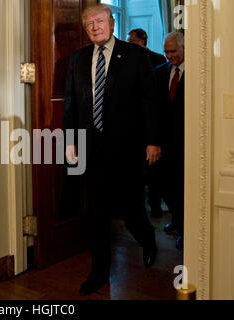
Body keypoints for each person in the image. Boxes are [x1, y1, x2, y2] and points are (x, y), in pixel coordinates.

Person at [63, 4, 161, 296]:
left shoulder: (135, 56)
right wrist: (70, 141)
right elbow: (71, 103)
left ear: (111, 23)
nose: (95, 27)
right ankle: (99, 273)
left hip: (127, 149)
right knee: (96, 213)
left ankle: (148, 240)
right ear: (85, 28)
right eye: (89, 23)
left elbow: (149, 101)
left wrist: (153, 140)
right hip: (91, 150)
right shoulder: (78, 60)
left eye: (100, 21)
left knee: (131, 210)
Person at [127, 28, 167, 218]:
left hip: (151, 121)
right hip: (133, 124)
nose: (129, 42)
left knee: (153, 171)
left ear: (143, 40)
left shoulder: (158, 59)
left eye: (132, 40)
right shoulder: (125, 59)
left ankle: (155, 206)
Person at [153, 32, 185, 251]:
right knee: (166, 187)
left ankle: (186, 230)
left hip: (188, 144)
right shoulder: (159, 73)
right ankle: (177, 219)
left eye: (173, 51)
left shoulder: (199, 74)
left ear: (185, 48)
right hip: (164, 144)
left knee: (184, 188)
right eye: (166, 51)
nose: (168, 56)